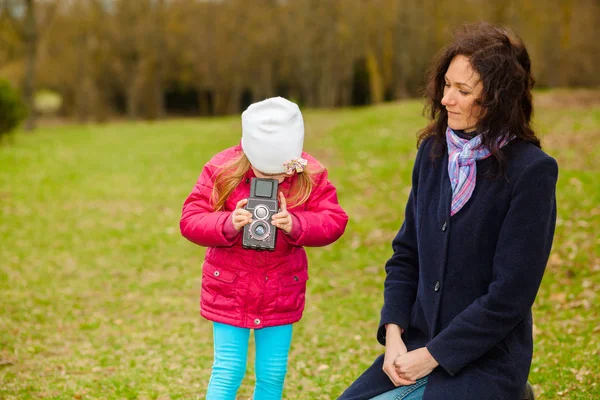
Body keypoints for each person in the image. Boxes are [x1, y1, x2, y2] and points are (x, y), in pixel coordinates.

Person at [338, 22, 558, 400]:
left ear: (497, 99)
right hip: (414, 346)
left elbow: (510, 296)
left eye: (463, 90)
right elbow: (406, 254)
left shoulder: (531, 171)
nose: (446, 99)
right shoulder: (434, 153)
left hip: (486, 359)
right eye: (446, 85)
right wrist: (394, 334)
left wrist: (434, 356)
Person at [180, 96, 348, 400]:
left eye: (281, 173)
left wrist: (297, 225)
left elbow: (334, 220)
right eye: (265, 173)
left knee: (273, 373)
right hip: (229, 289)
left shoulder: (308, 173)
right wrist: (227, 224)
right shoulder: (222, 169)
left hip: (280, 292)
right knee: (228, 370)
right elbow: (190, 219)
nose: (275, 180)